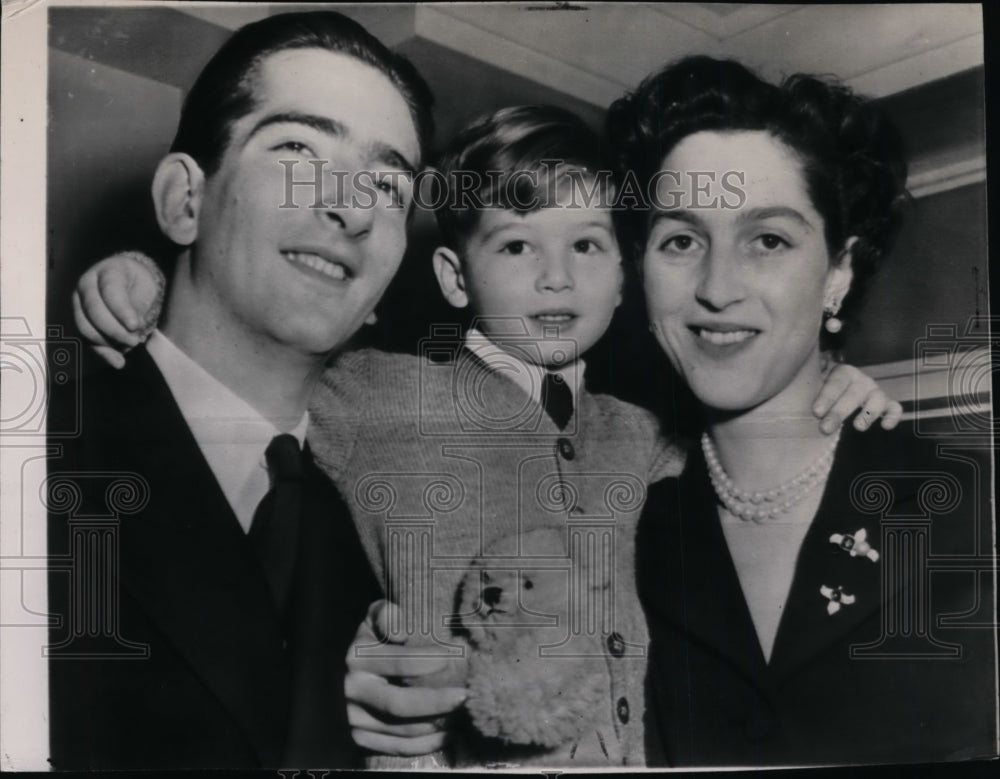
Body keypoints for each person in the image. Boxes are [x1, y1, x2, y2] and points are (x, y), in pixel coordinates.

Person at [72, 103, 905, 767]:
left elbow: (748, 443)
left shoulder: (643, 431)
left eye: (587, 244)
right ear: (453, 275)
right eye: (515, 244)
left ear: (624, 276)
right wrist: (142, 281)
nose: (556, 275)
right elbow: (249, 352)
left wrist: (832, 377)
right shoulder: (380, 389)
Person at [46, 11, 434, 770]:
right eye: (297, 149)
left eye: (388, 185)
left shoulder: (386, 526)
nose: (352, 208)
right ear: (184, 201)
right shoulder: (36, 459)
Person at [608, 56, 997, 766]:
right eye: (681, 240)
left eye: (769, 240)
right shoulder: (618, 534)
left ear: (838, 272)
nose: (717, 287)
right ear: (642, 268)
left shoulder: (976, 512)